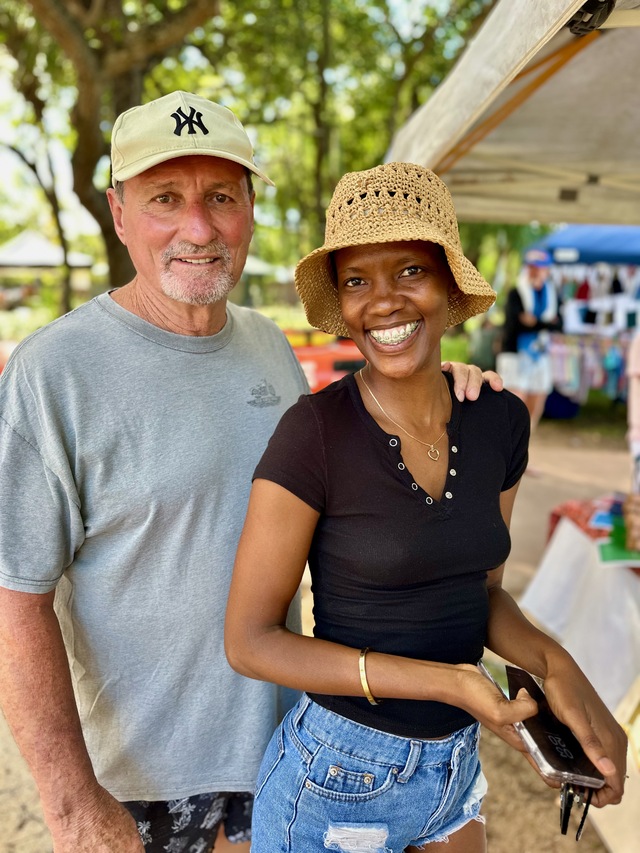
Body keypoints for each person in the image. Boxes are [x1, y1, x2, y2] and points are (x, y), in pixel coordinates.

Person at [0, 93, 495, 853]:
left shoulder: (270, 349)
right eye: (166, 198)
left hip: (292, 753)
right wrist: (71, 806)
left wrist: (438, 385)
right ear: (119, 213)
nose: (199, 228)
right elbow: (16, 596)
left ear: (251, 211)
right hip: (140, 784)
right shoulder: (53, 373)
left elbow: (359, 474)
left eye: (222, 197)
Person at [225, 162, 627, 853]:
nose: (383, 301)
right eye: (357, 280)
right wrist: (450, 683)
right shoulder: (314, 432)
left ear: (448, 284)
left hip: (453, 773)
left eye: (409, 270)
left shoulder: (500, 419)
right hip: (335, 774)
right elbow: (250, 641)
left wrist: (558, 666)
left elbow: (482, 592)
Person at [497, 248, 562, 432]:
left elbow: (559, 324)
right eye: (532, 267)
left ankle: (526, 439)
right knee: (515, 401)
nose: (536, 272)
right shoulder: (516, 292)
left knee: (538, 397)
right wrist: (546, 323)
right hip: (515, 353)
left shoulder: (552, 295)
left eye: (540, 268)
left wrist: (535, 322)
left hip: (540, 353)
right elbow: (515, 325)